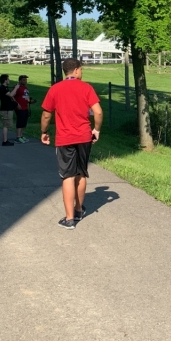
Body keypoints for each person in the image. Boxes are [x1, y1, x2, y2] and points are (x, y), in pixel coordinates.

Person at [41, 58, 103, 230]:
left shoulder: (55, 89)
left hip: (65, 138)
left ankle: (69, 219)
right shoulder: (86, 88)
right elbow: (98, 112)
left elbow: (46, 115)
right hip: (84, 136)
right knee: (81, 173)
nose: (81, 73)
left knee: (67, 175)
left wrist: (44, 132)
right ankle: (78, 210)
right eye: (81, 70)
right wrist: (96, 129)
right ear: (76, 70)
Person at [0, 73, 18, 147]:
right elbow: (11, 95)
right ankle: (5, 141)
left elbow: (12, 94)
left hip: (8, 108)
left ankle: (6, 140)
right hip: (5, 109)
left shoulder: (5, 88)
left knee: (7, 125)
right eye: (8, 79)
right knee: (6, 125)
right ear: (5, 80)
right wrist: (16, 88)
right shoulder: (2, 88)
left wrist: (15, 88)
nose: (9, 80)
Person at [14, 74, 32, 143]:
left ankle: (21, 135)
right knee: (20, 122)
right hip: (20, 107)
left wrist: (30, 102)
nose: (25, 81)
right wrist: (16, 104)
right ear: (20, 80)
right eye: (24, 80)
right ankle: (18, 137)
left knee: (24, 122)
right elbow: (13, 96)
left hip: (25, 107)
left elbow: (26, 98)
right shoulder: (17, 87)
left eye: (26, 80)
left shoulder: (26, 88)